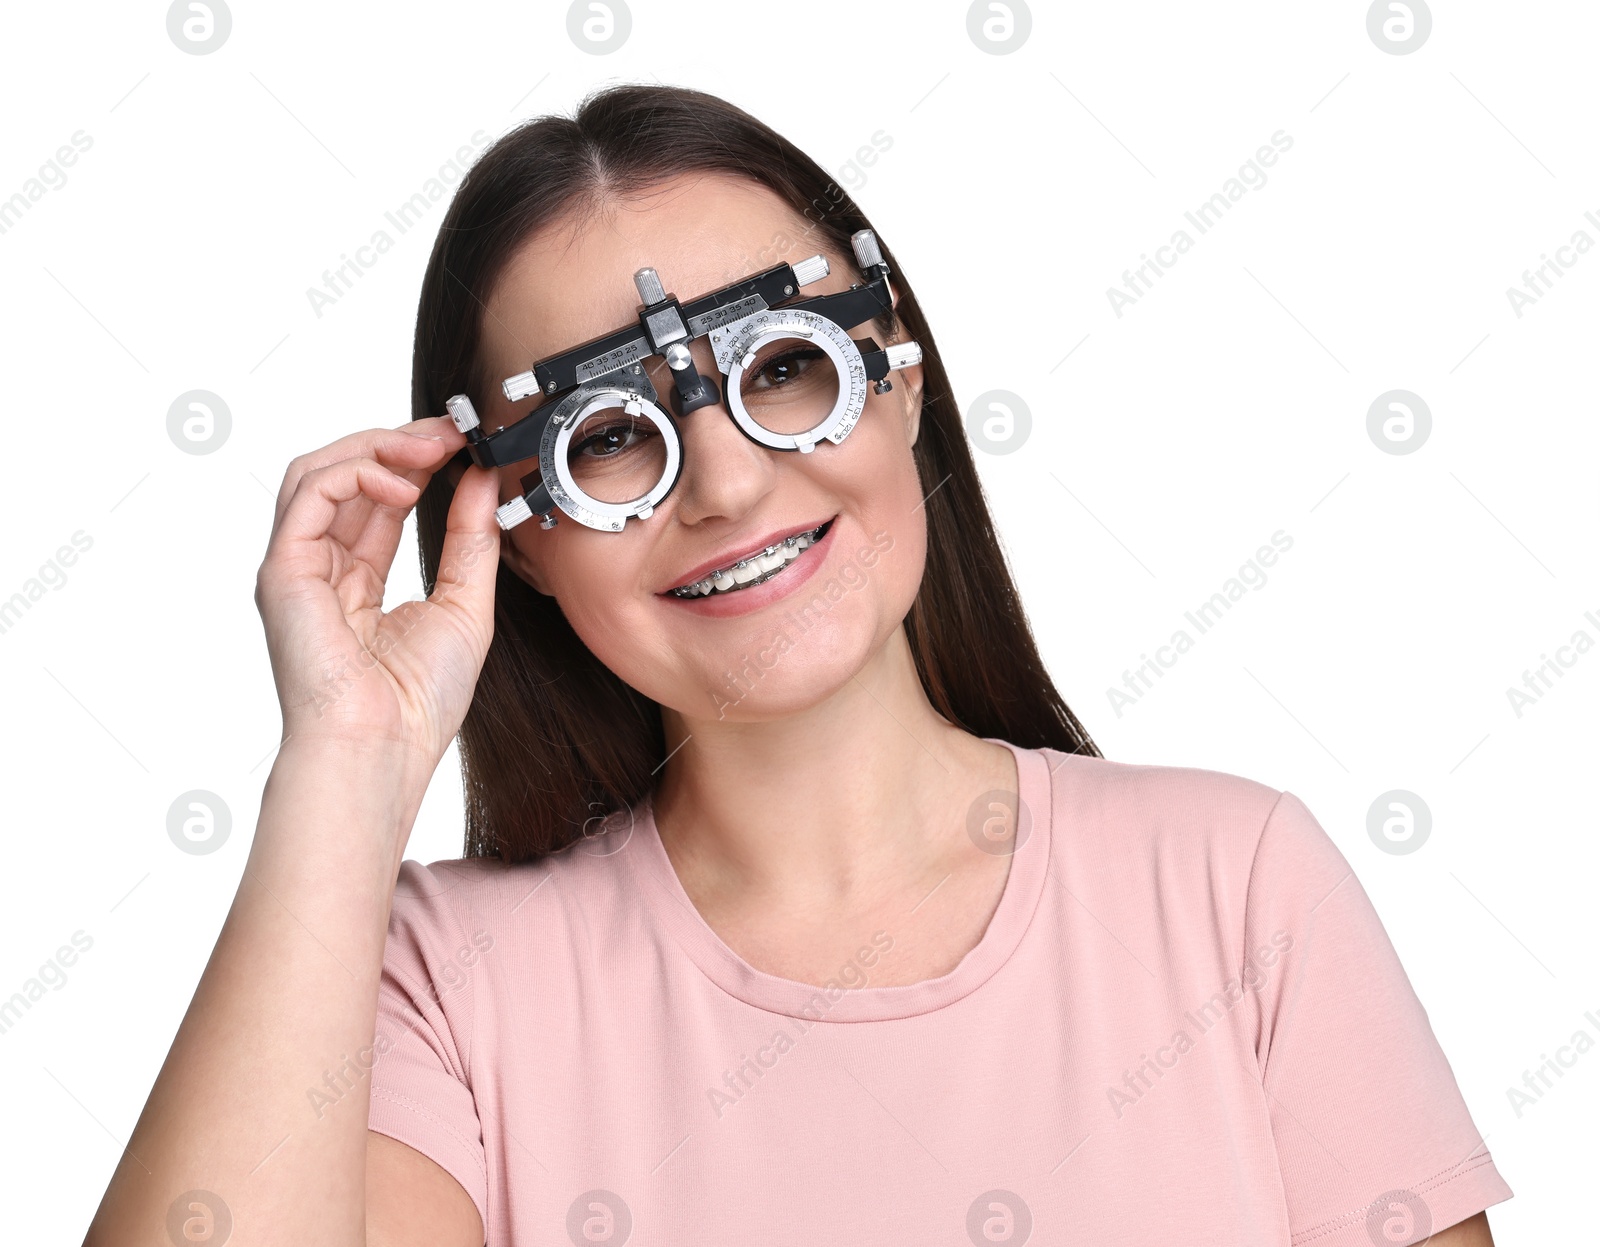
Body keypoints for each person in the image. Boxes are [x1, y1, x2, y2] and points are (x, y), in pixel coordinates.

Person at [83, 83, 1510, 1247]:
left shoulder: (1234, 886)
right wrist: (342, 768)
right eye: (612, 438)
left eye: (780, 370)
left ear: (900, 376)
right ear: (512, 536)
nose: (723, 483)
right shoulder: (440, 986)